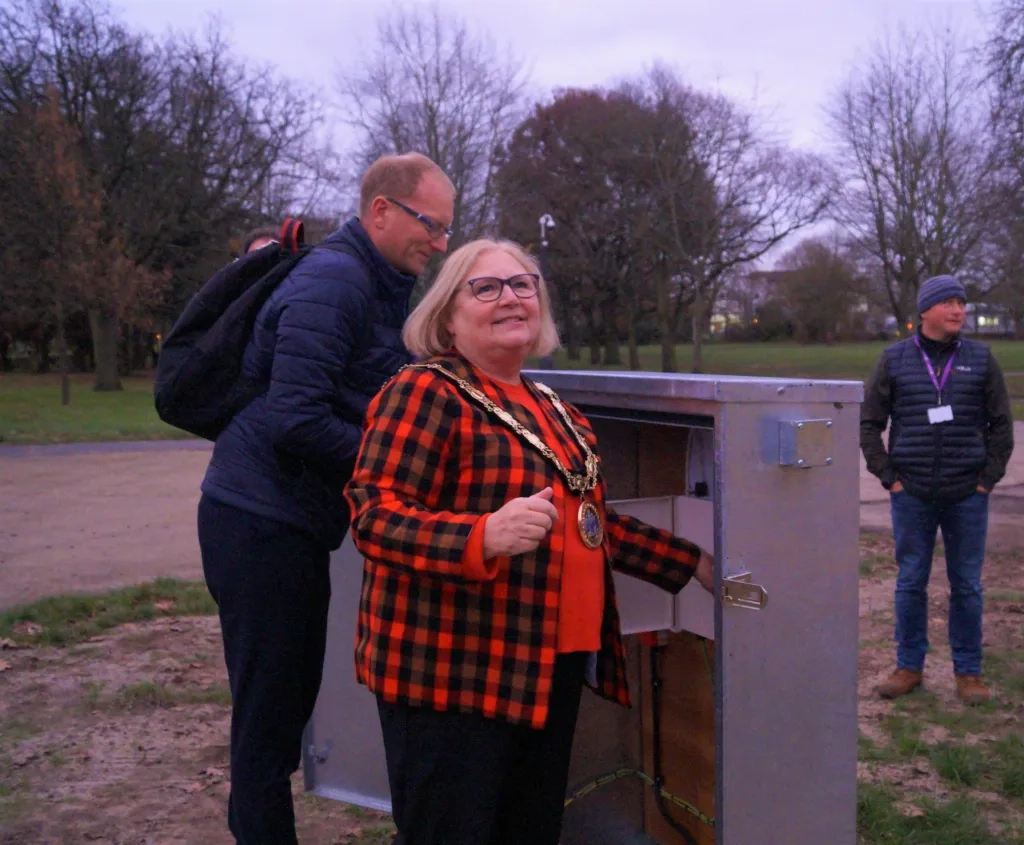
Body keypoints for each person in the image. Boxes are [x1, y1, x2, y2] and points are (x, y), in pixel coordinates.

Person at [344, 238, 715, 845]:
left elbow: (588, 524)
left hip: (547, 665)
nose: (510, 298)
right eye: (485, 288)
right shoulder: (423, 391)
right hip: (452, 675)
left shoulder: (556, 410)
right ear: (448, 313)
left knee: (529, 830)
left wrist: (691, 560)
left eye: (523, 285)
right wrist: (482, 535)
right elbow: (373, 515)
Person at [197, 152, 455, 844]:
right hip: (258, 520)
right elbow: (297, 417)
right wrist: (396, 460)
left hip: (290, 520)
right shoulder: (336, 283)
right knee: (268, 713)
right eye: (432, 227)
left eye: (446, 231)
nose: (440, 243)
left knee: (284, 705)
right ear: (381, 212)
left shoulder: (375, 283)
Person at [861, 274, 1013, 705]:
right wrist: (888, 477)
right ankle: (909, 666)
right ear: (925, 310)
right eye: (948, 303)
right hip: (912, 493)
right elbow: (870, 423)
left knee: (966, 585)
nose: (959, 310)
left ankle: (968, 672)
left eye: (962, 303)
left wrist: (987, 479)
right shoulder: (894, 360)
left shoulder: (981, 360)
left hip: (967, 492)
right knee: (911, 582)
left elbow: (1001, 425)